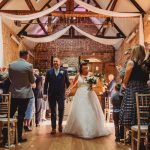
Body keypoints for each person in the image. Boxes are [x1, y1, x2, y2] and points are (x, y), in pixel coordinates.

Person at [63, 63, 111, 139]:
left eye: (87, 68)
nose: (86, 69)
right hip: (80, 94)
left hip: (89, 93)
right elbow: (73, 83)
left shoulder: (91, 74)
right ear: (81, 69)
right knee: (79, 111)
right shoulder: (78, 75)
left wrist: (92, 85)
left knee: (91, 109)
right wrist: (68, 89)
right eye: (85, 68)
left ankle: (93, 129)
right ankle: (80, 129)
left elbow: (95, 83)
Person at [119, 45, 150, 144]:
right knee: (141, 114)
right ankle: (139, 137)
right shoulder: (146, 65)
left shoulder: (131, 63)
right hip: (144, 91)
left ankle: (133, 135)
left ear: (134, 52)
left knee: (128, 115)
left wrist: (124, 83)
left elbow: (126, 79)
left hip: (132, 90)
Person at [3, 50, 35, 144]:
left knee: (10, 115)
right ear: (26, 56)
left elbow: (10, 78)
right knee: (21, 116)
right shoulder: (29, 66)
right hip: (25, 95)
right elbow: (32, 80)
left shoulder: (11, 65)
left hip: (13, 93)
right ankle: (18, 138)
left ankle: (5, 137)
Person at [44, 57, 70, 134]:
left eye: (56, 61)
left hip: (61, 94)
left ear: (60, 62)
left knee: (61, 109)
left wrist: (68, 90)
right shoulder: (49, 71)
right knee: (53, 111)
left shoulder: (64, 71)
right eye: (54, 61)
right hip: (51, 94)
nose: (55, 62)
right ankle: (53, 128)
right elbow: (46, 83)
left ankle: (60, 125)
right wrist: (45, 93)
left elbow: (67, 82)